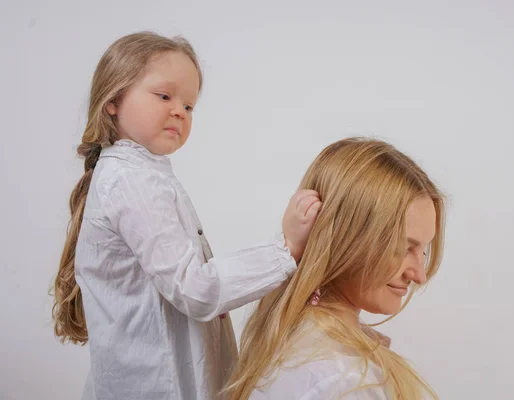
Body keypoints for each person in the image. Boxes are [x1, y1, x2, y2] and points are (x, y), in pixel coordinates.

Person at [51, 31, 321, 400]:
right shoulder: (132, 181)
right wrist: (285, 250)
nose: (179, 110)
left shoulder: (143, 175)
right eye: (164, 96)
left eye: (189, 106)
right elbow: (194, 289)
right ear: (113, 99)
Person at [225, 137, 446, 400]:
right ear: (347, 237)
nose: (419, 275)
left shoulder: (288, 338)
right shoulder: (345, 381)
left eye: (423, 250)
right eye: (403, 249)